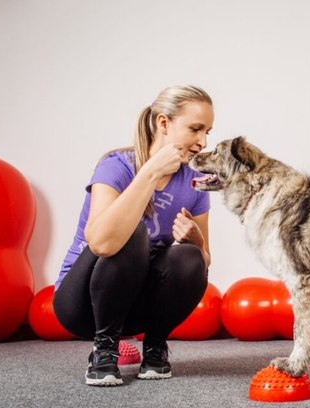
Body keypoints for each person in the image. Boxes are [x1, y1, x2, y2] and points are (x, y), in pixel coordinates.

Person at [53, 85, 214, 386]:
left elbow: (203, 263)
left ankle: (155, 346)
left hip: (136, 307)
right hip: (82, 304)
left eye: (208, 132)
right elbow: (101, 242)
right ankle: (104, 350)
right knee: (131, 233)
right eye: (195, 129)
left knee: (189, 256)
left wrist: (197, 242)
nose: (202, 142)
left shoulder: (195, 182)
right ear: (163, 123)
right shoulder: (116, 166)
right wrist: (150, 173)